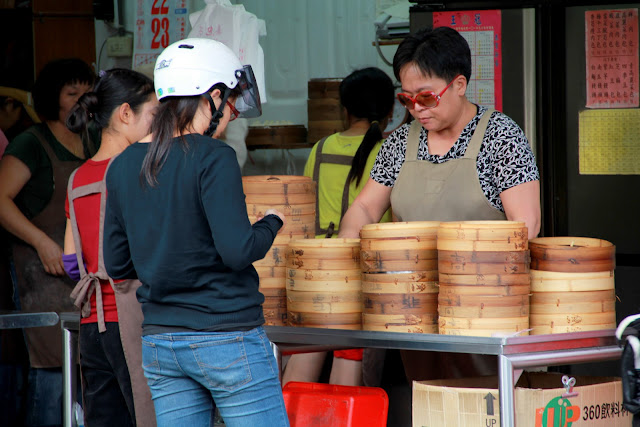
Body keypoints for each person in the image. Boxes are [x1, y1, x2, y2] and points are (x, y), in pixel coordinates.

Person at [102, 38, 289, 427]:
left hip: (161, 343)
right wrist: (272, 222)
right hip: (226, 337)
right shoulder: (213, 156)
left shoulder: (121, 166)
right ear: (213, 96)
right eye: (232, 104)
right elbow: (238, 250)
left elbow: (117, 264)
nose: (233, 114)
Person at [338, 27, 541, 381]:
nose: (416, 109)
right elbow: (365, 209)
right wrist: (346, 246)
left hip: (487, 314)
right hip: (415, 315)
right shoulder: (400, 143)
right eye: (406, 99)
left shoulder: (501, 137)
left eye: (426, 97)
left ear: (459, 85)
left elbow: (525, 224)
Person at [283, 67, 394, 387]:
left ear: (344, 111)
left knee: (306, 353)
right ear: (390, 110)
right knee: (349, 356)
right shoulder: (388, 151)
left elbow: (303, 212)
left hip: (317, 271)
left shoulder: (319, 149)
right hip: (364, 273)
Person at [0, 58, 95, 426]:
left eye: (88, 93)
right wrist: (41, 242)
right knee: (52, 368)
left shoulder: (94, 140)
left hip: (81, 272)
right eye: (72, 93)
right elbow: (1, 200)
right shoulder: (31, 143)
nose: (82, 101)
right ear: (51, 99)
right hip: (39, 274)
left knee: (86, 370)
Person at [63, 68, 158, 427]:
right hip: (133, 319)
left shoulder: (78, 176)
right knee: (146, 416)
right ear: (125, 114)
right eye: (152, 115)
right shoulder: (139, 169)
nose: (155, 125)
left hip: (91, 324)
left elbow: (71, 262)